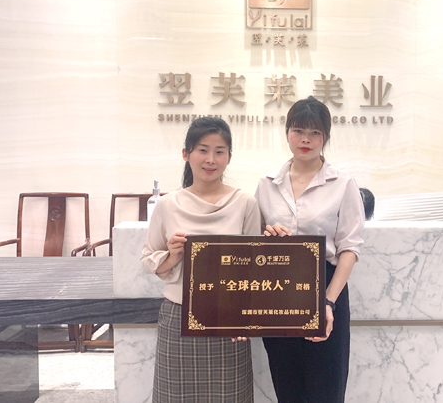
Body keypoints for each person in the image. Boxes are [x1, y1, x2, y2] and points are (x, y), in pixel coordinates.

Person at [141, 117, 261, 403]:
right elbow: (149, 259)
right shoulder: (167, 204)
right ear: (186, 154)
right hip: (179, 315)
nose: (211, 159)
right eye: (203, 150)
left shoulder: (245, 203)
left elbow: (255, 267)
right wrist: (172, 255)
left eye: (219, 151)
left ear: (229, 157)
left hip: (229, 320)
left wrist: (244, 318)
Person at [255, 96, 365, 403]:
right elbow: (254, 243)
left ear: (325, 137)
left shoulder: (343, 184)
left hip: (325, 287)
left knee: (326, 390)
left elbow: (349, 248)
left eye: (315, 132)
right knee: (287, 387)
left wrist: (328, 301)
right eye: (299, 130)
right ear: (287, 132)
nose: (306, 139)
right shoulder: (266, 185)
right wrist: (267, 236)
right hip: (277, 290)